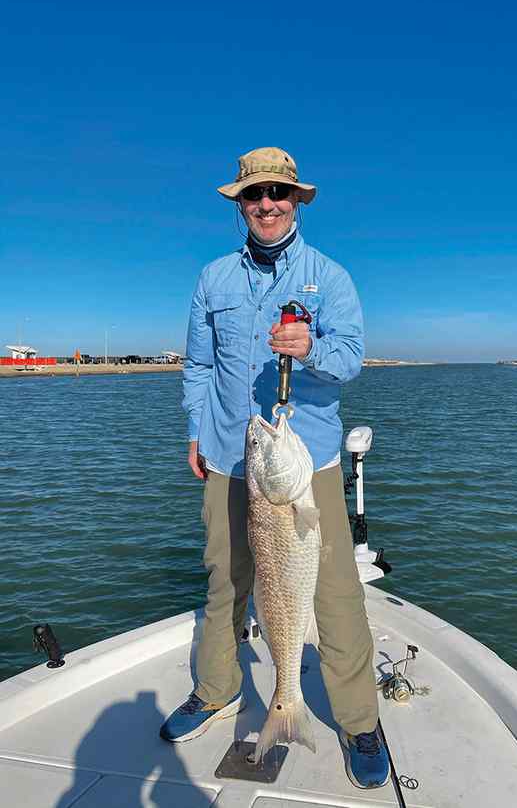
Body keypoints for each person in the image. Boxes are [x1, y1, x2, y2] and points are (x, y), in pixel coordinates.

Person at [160, 147, 390, 789]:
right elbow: (199, 366)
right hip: (232, 454)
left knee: (336, 593)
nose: (266, 205)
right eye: (253, 195)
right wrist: (196, 432)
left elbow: (350, 359)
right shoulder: (213, 278)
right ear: (240, 203)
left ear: (297, 201)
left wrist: (311, 346)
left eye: (278, 194)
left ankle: (358, 720)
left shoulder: (331, 277)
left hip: (303, 460)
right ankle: (215, 690)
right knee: (224, 578)